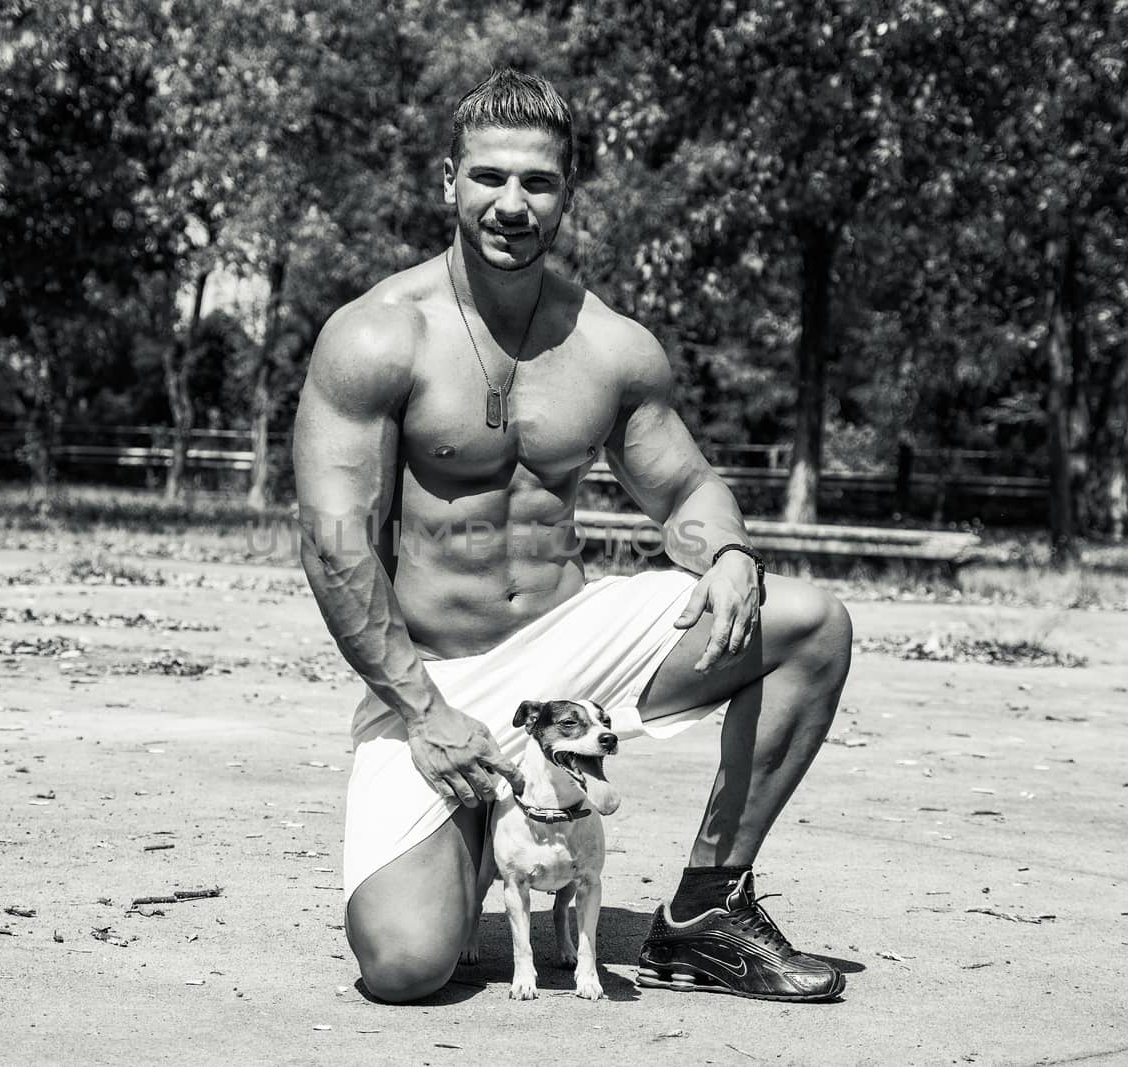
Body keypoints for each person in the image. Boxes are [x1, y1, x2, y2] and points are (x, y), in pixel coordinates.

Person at [292, 68, 853, 1004]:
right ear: (448, 182)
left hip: (568, 654)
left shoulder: (608, 345)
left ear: (566, 194)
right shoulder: (377, 336)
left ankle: (707, 910)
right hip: (433, 671)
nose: (511, 204)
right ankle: (470, 841)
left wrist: (728, 551)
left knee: (811, 623)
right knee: (404, 966)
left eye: (538, 183)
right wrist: (427, 717)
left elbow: (684, 487)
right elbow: (336, 544)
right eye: (488, 178)